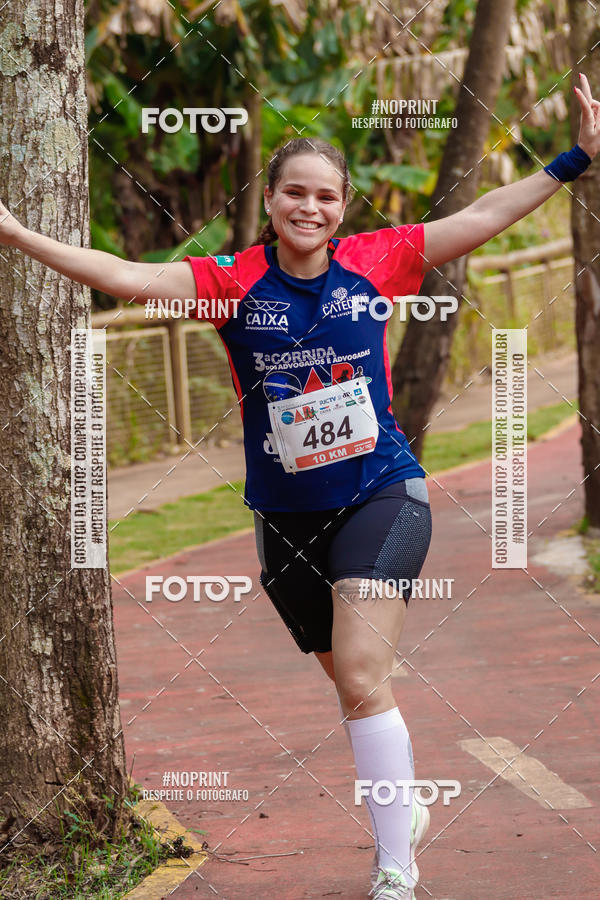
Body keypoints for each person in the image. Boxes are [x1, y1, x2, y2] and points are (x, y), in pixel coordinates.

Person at [1, 74, 597, 900]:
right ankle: (407, 806)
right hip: (284, 521)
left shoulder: (376, 261)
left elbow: (482, 217)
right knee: (355, 685)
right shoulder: (232, 281)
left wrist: (572, 161)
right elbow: (127, 276)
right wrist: (16, 233)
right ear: (272, 199)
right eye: (294, 193)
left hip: (382, 493)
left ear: (343, 207)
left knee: (359, 675)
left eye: (325, 196)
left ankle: (397, 867)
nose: (308, 208)